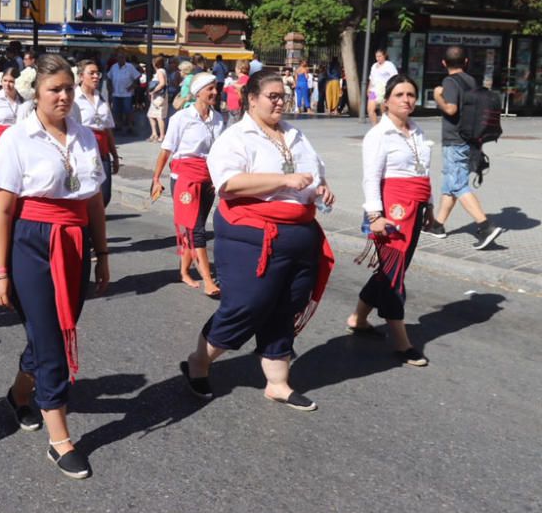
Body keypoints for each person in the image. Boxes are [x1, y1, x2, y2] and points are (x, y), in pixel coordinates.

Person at [181, 71, 335, 411]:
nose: (281, 101)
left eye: (284, 96)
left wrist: (320, 187)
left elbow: (315, 171)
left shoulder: (295, 134)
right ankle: (199, 362)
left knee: (288, 305)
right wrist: (282, 180)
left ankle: (278, 382)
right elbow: (229, 183)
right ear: (252, 99)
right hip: (251, 235)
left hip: (299, 234)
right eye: (273, 96)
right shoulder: (236, 137)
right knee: (246, 306)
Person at [0, 53, 110, 480]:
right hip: (32, 242)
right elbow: (2, 211)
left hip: (75, 242)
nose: (63, 96)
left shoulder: (85, 136)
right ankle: (60, 439)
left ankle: (20, 394)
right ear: (35, 93)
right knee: (52, 337)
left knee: (54, 329)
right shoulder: (17, 138)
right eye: (54, 89)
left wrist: (103, 254)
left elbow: (93, 200)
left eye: (68, 89)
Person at [347, 74, 432, 366]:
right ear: (386, 102)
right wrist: (375, 216)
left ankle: (358, 318)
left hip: (415, 209)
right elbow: (370, 177)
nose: (407, 99)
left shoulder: (417, 130)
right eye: (400, 95)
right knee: (394, 274)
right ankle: (402, 341)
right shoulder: (379, 135)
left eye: (411, 94)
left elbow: (423, 172)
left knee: (390, 270)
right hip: (390, 212)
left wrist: (429, 206)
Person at [151, 73, 225, 298]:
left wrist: (220, 179)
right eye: (209, 88)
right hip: (184, 177)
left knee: (196, 225)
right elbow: (166, 150)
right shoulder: (181, 118)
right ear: (198, 92)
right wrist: (156, 179)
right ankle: (208, 280)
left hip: (208, 178)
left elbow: (220, 153)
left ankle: (184, 271)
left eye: (215, 88)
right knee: (196, 229)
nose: (214, 92)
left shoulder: (219, 119)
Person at [423, 46, 503, 249]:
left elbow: (451, 108)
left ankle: (485, 227)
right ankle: (437, 226)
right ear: (466, 62)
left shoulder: (449, 82)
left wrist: (438, 96)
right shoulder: (470, 81)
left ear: (443, 63)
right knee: (450, 184)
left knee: (458, 185)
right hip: (469, 139)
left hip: (455, 140)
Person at [75, 59, 119, 207]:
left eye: (97, 73)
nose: (96, 77)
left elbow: (107, 129)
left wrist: (115, 155)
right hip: (83, 151)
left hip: (102, 151)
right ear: (81, 76)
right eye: (91, 73)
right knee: (86, 192)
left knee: (105, 195)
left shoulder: (101, 98)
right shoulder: (74, 99)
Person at [107, 51, 140, 135]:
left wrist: (132, 86)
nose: (121, 59)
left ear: (125, 58)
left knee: (128, 111)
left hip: (127, 94)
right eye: (119, 57)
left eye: (122, 57)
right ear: (117, 58)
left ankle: (130, 126)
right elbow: (109, 78)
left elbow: (137, 77)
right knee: (116, 111)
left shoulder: (130, 67)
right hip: (116, 93)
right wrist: (110, 88)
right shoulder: (113, 67)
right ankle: (118, 125)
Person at [367, 49, 398, 125]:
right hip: (374, 90)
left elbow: (394, 77)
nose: (378, 58)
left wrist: (390, 89)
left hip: (384, 90)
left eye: (380, 56)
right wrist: (369, 88)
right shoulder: (374, 66)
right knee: (370, 109)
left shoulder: (389, 65)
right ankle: (375, 126)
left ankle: (385, 126)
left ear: (384, 56)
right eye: (376, 56)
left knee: (383, 111)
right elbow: (371, 78)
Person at [146, 56, 168, 142]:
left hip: (158, 96)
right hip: (160, 96)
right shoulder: (162, 71)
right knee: (151, 115)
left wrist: (153, 91)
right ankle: (154, 134)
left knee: (159, 116)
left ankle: (162, 135)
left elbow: (162, 83)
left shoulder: (159, 71)